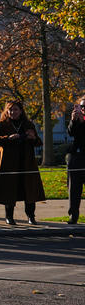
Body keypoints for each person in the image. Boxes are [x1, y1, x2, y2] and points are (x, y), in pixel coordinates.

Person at [0, 101, 45, 225]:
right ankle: (9, 216)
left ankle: (31, 215)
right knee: (9, 189)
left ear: (21, 111)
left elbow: (39, 142)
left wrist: (33, 138)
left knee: (28, 190)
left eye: (16, 110)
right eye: (11, 110)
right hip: (8, 162)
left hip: (26, 162)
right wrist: (8, 138)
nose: (13, 112)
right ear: (7, 111)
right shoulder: (2, 124)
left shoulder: (28, 124)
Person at [66, 94, 85, 224]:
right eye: (81, 106)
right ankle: (73, 215)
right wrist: (73, 120)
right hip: (77, 157)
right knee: (74, 189)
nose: (83, 109)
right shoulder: (77, 118)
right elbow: (71, 133)